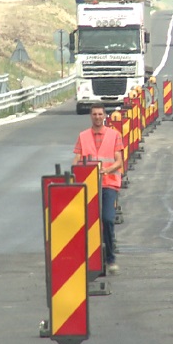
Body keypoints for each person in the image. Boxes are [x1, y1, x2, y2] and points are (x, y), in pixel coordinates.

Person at [72, 103, 124, 274]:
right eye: (94, 114)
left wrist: (106, 170)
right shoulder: (83, 136)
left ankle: (110, 259)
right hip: (88, 186)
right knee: (88, 224)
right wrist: (74, 179)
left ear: (104, 116)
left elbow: (119, 161)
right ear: (90, 116)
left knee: (108, 219)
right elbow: (77, 160)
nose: (97, 117)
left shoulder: (114, 136)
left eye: (100, 114)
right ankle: (89, 261)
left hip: (109, 183)